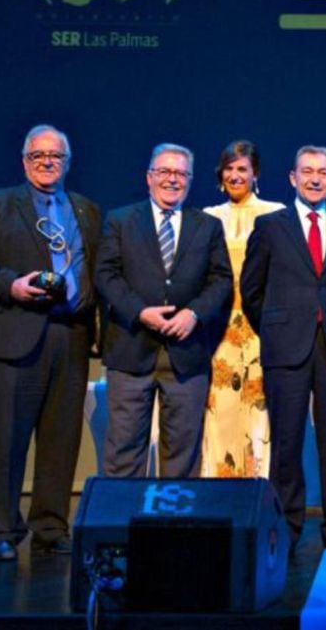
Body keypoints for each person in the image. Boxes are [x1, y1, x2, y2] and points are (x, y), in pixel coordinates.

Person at [0, 124, 101, 562]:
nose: (47, 163)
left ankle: (51, 527)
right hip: (13, 333)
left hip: (70, 334)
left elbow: (96, 271)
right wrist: (12, 285)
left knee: (61, 441)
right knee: (9, 438)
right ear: (24, 162)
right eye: (38, 156)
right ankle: (3, 530)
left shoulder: (86, 210)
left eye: (55, 156)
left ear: (68, 162)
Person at [240, 145, 326, 554]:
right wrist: (278, 328)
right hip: (285, 348)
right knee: (287, 442)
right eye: (307, 171)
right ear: (292, 178)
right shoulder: (271, 225)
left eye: (323, 172)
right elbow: (252, 289)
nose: (315, 178)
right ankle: (287, 529)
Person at [96, 143, 232, 478]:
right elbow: (105, 275)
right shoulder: (120, 220)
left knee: (182, 458)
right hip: (131, 351)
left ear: (190, 179)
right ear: (149, 177)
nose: (172, 180)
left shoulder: (207, 225)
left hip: (186, 356)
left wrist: (193, 314)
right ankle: (123, 528)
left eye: (181, 173)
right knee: (124, 453)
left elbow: (221, 281)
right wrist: (140, 312)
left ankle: (173, 529)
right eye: (165, 172)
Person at [200, 141, 283, 478]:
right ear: (221, 174)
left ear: (255, 173)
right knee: (220, 412)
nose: (235, 175)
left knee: (259, 411)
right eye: (229, 169)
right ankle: (219, 496)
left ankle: (257, 494)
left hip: (260, 326)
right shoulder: (207, 217)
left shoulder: (275, 214)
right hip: (219, 329)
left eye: (242, 169)